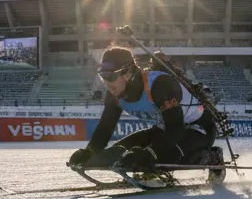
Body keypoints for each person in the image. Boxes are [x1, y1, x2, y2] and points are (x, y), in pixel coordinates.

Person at [67, 47, 221, 173]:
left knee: (163, 156)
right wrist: (90, 152)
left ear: (127, 73)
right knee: (117, 155)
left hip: (198, 129)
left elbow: (176, 129)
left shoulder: (159, 84)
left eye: (110, 77)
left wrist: (151, 153)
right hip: (164, 130)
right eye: (102, 77)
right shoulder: (114, 93)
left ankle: (212, 157)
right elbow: (105, 127)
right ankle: (153, 165)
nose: (107, 83)